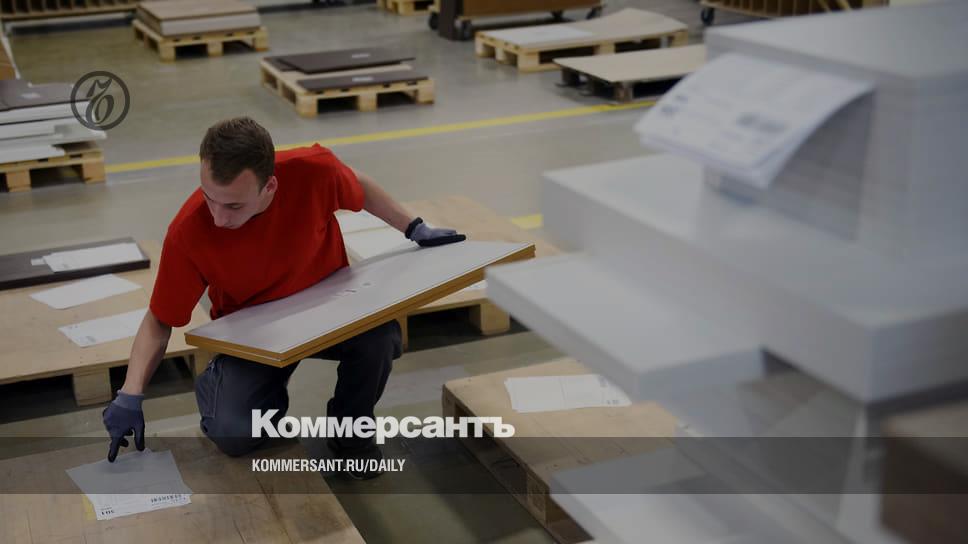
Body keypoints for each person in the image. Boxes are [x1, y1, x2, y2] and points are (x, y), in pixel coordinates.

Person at [101, 117, 465, 479]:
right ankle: (230, 386)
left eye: (234, 206)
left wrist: (413, 227)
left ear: (270, 186)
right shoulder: (189, 231)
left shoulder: (312, 170)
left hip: (328, 303)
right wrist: (130, 394)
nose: (218, 218)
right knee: (235, 435)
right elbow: (160, 319)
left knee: (380, 337)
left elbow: (357, 185)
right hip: (254, 332)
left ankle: (350, 434)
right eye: (210, 198)